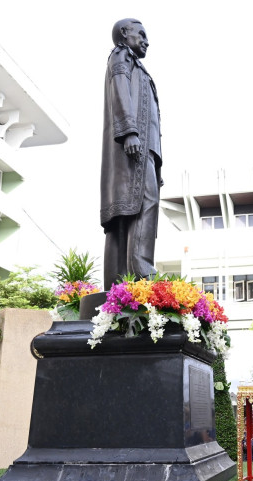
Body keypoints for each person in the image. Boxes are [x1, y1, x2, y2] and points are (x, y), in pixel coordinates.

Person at [101, 18, 163, 285]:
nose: (147, 41)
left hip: (145, 149)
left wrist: (156, 163)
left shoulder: (137, 66)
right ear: (125, 33)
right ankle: (142, 274)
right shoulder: (121, 56)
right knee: (142, 205)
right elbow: (120, 92)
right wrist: (129, 132)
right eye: (142, 34)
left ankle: (118, 282)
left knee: (129, 212)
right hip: (133, 145)